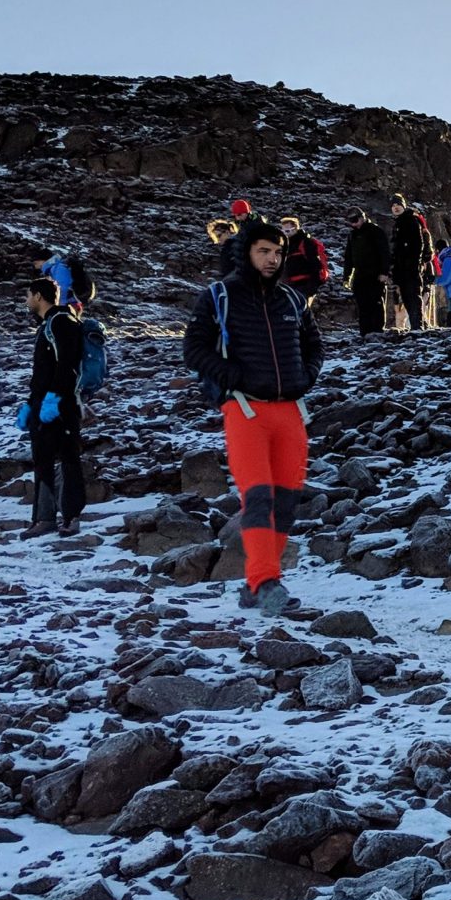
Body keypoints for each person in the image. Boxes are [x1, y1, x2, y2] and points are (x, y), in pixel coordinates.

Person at [182, 219, 323, 614]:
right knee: (258, 497)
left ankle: (256, 584)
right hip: (246, 410)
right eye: (264, 251)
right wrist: (235, 377)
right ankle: (266, 583)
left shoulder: (292, 299)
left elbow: (314, 345)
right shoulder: (218, 296)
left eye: (278, 252)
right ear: (246, 251)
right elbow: (194, 350)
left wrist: (305, 376)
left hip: (291, 412)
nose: (272, 259)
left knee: (286, 502)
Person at [18, 277, 86, 539]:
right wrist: (30, 403)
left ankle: (71, 517)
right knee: (42, 459)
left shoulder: (61, 322)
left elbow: (67, 364)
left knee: (68, 458)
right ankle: (43, 517)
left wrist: (54, 397)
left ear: (38, 296)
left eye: (28, 295)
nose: (26, 301)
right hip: (43, 403)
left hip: (61, 404)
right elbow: (43, 371)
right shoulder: (47, 325)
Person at [389, 195, 434, 331]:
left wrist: (414, 264)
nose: (395, 207)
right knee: (407, 297)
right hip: (402, 267)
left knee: (413, 296)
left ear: (403, 206)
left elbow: (417, 244)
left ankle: (417, 326)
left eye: (398, 204)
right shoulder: (398, 223)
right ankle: (416, 326)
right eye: (393, 205)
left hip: (411, 267)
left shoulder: (411, 221)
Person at [343, 210, 391, 336]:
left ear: (362, 217)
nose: (354, 223)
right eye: (351, 221)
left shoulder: (375, 231)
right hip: (360, 274)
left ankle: (377, 331)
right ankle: (365, 332)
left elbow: (384, 252)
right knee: (362, 305)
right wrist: (346, 276)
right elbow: (349, 257)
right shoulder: (352, 235)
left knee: (376, 302)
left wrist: (384, 272)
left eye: (356, 219)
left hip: (375, 274)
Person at [279, 216, 330, 304]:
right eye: (283, 231)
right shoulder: (285, 245)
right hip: (289, 285)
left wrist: (311, 288)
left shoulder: (306, 243)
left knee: (301, 313)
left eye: (287, 231)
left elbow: (316, 265)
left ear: (295, 229)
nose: (285, 234)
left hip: (304, 285)